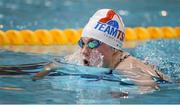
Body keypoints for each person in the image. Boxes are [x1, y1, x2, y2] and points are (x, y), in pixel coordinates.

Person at [33, 9, 171, 94]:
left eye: (93, 43)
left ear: (113, 47)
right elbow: (53, 65)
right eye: (82, 43)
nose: (84, 51)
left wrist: (123, 94)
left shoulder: (129, 67)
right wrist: (38, 77)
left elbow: (152, 89)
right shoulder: (80, 55)